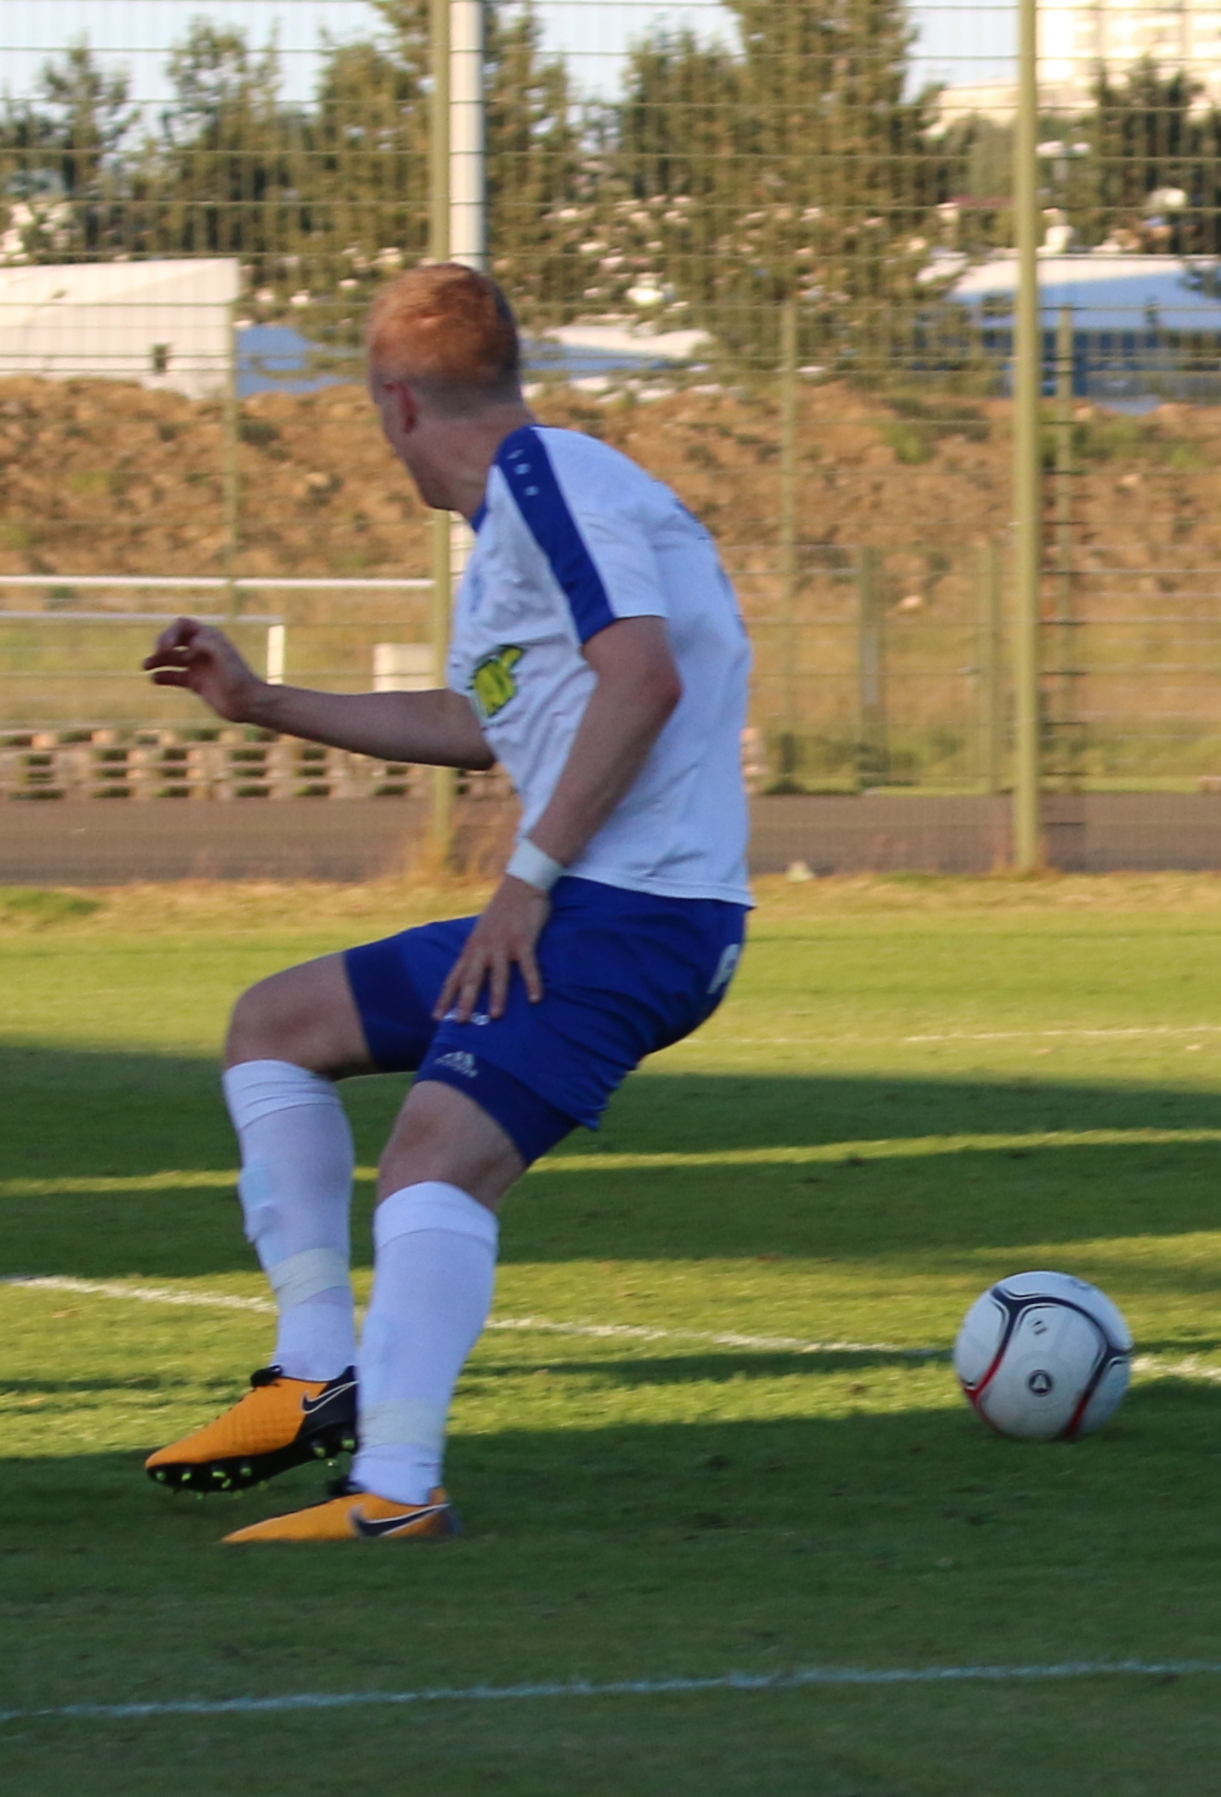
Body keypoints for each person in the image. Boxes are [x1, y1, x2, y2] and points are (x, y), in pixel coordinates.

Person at [139, 264, 752, 1542]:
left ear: (397, 400)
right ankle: (316, 1371)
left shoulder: (547, 478)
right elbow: (480, 724)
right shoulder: (516, 526)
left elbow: (642, 679)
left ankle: (397, 1488)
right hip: (589, 900)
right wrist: (259, 703)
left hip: (633, 910)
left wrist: (523, 882)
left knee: (430, 1160)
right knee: (275, 1027)